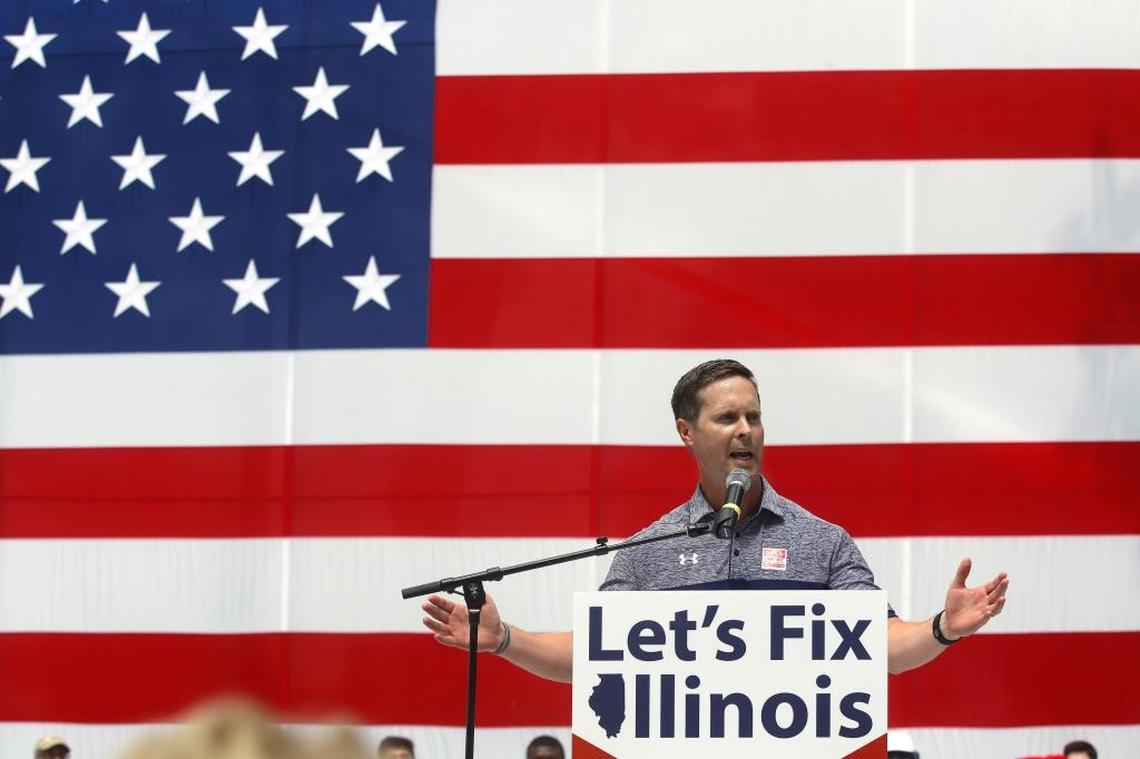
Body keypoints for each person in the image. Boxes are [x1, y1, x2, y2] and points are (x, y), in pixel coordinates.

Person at [423, 359, 1010, 680]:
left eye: (754, 417)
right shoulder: (649, 549)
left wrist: (942, 627)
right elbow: (596, 654)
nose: (746, 430)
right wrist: (503, 639)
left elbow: (878, 643)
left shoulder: (822, 542)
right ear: (687, 432)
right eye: (728, 418)